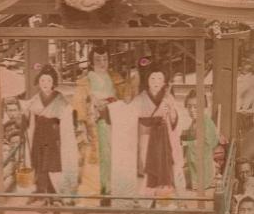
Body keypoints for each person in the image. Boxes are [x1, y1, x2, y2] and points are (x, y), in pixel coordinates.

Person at [72, 44, 130, 199]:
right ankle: (93, 191)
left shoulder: (115, 77)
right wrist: (92, 102)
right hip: (93, 121)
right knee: (94, 155)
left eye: (105, 58)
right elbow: (78, 102)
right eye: (97, 59)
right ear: (91, 61)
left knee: (110, 154)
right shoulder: (85, 81)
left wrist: (113, 102)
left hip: (112, 120)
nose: (102, 62)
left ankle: (109, 188)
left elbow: (125, 98)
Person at [26, 64, 78, 196]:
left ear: (53, 82)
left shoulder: (60, 98)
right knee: (39, 161)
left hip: (53, 134)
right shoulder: (35, 99)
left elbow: (68, 115)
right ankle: (41, 189)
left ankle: (53, 191)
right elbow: (29, 115)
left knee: (50, 163)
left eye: (48, 80)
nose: (45, 83)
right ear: (38, 82)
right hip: (39, 134)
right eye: (42, 80)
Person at [134, 63, 184, 194]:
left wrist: (171, 110)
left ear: (164, 82)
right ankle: (148, 205)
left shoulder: (168, 97)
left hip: (165, 138)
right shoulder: (140, 99)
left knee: (167, 168)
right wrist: (158, 113)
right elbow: (139, 122)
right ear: (147, 81)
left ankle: (165, 202)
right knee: (148, 170)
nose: (156, 82)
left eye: (160, 79)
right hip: (148, 139)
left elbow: (174, 121)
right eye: (153, 79)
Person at [181, 89, 219, 190]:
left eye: (196, 107)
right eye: (189, 107)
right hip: (194, 165)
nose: (192, 110)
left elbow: (207, 143)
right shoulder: (195, 122)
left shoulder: (206, 122)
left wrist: (187, 144)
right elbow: (191, 136)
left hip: (204, 168)